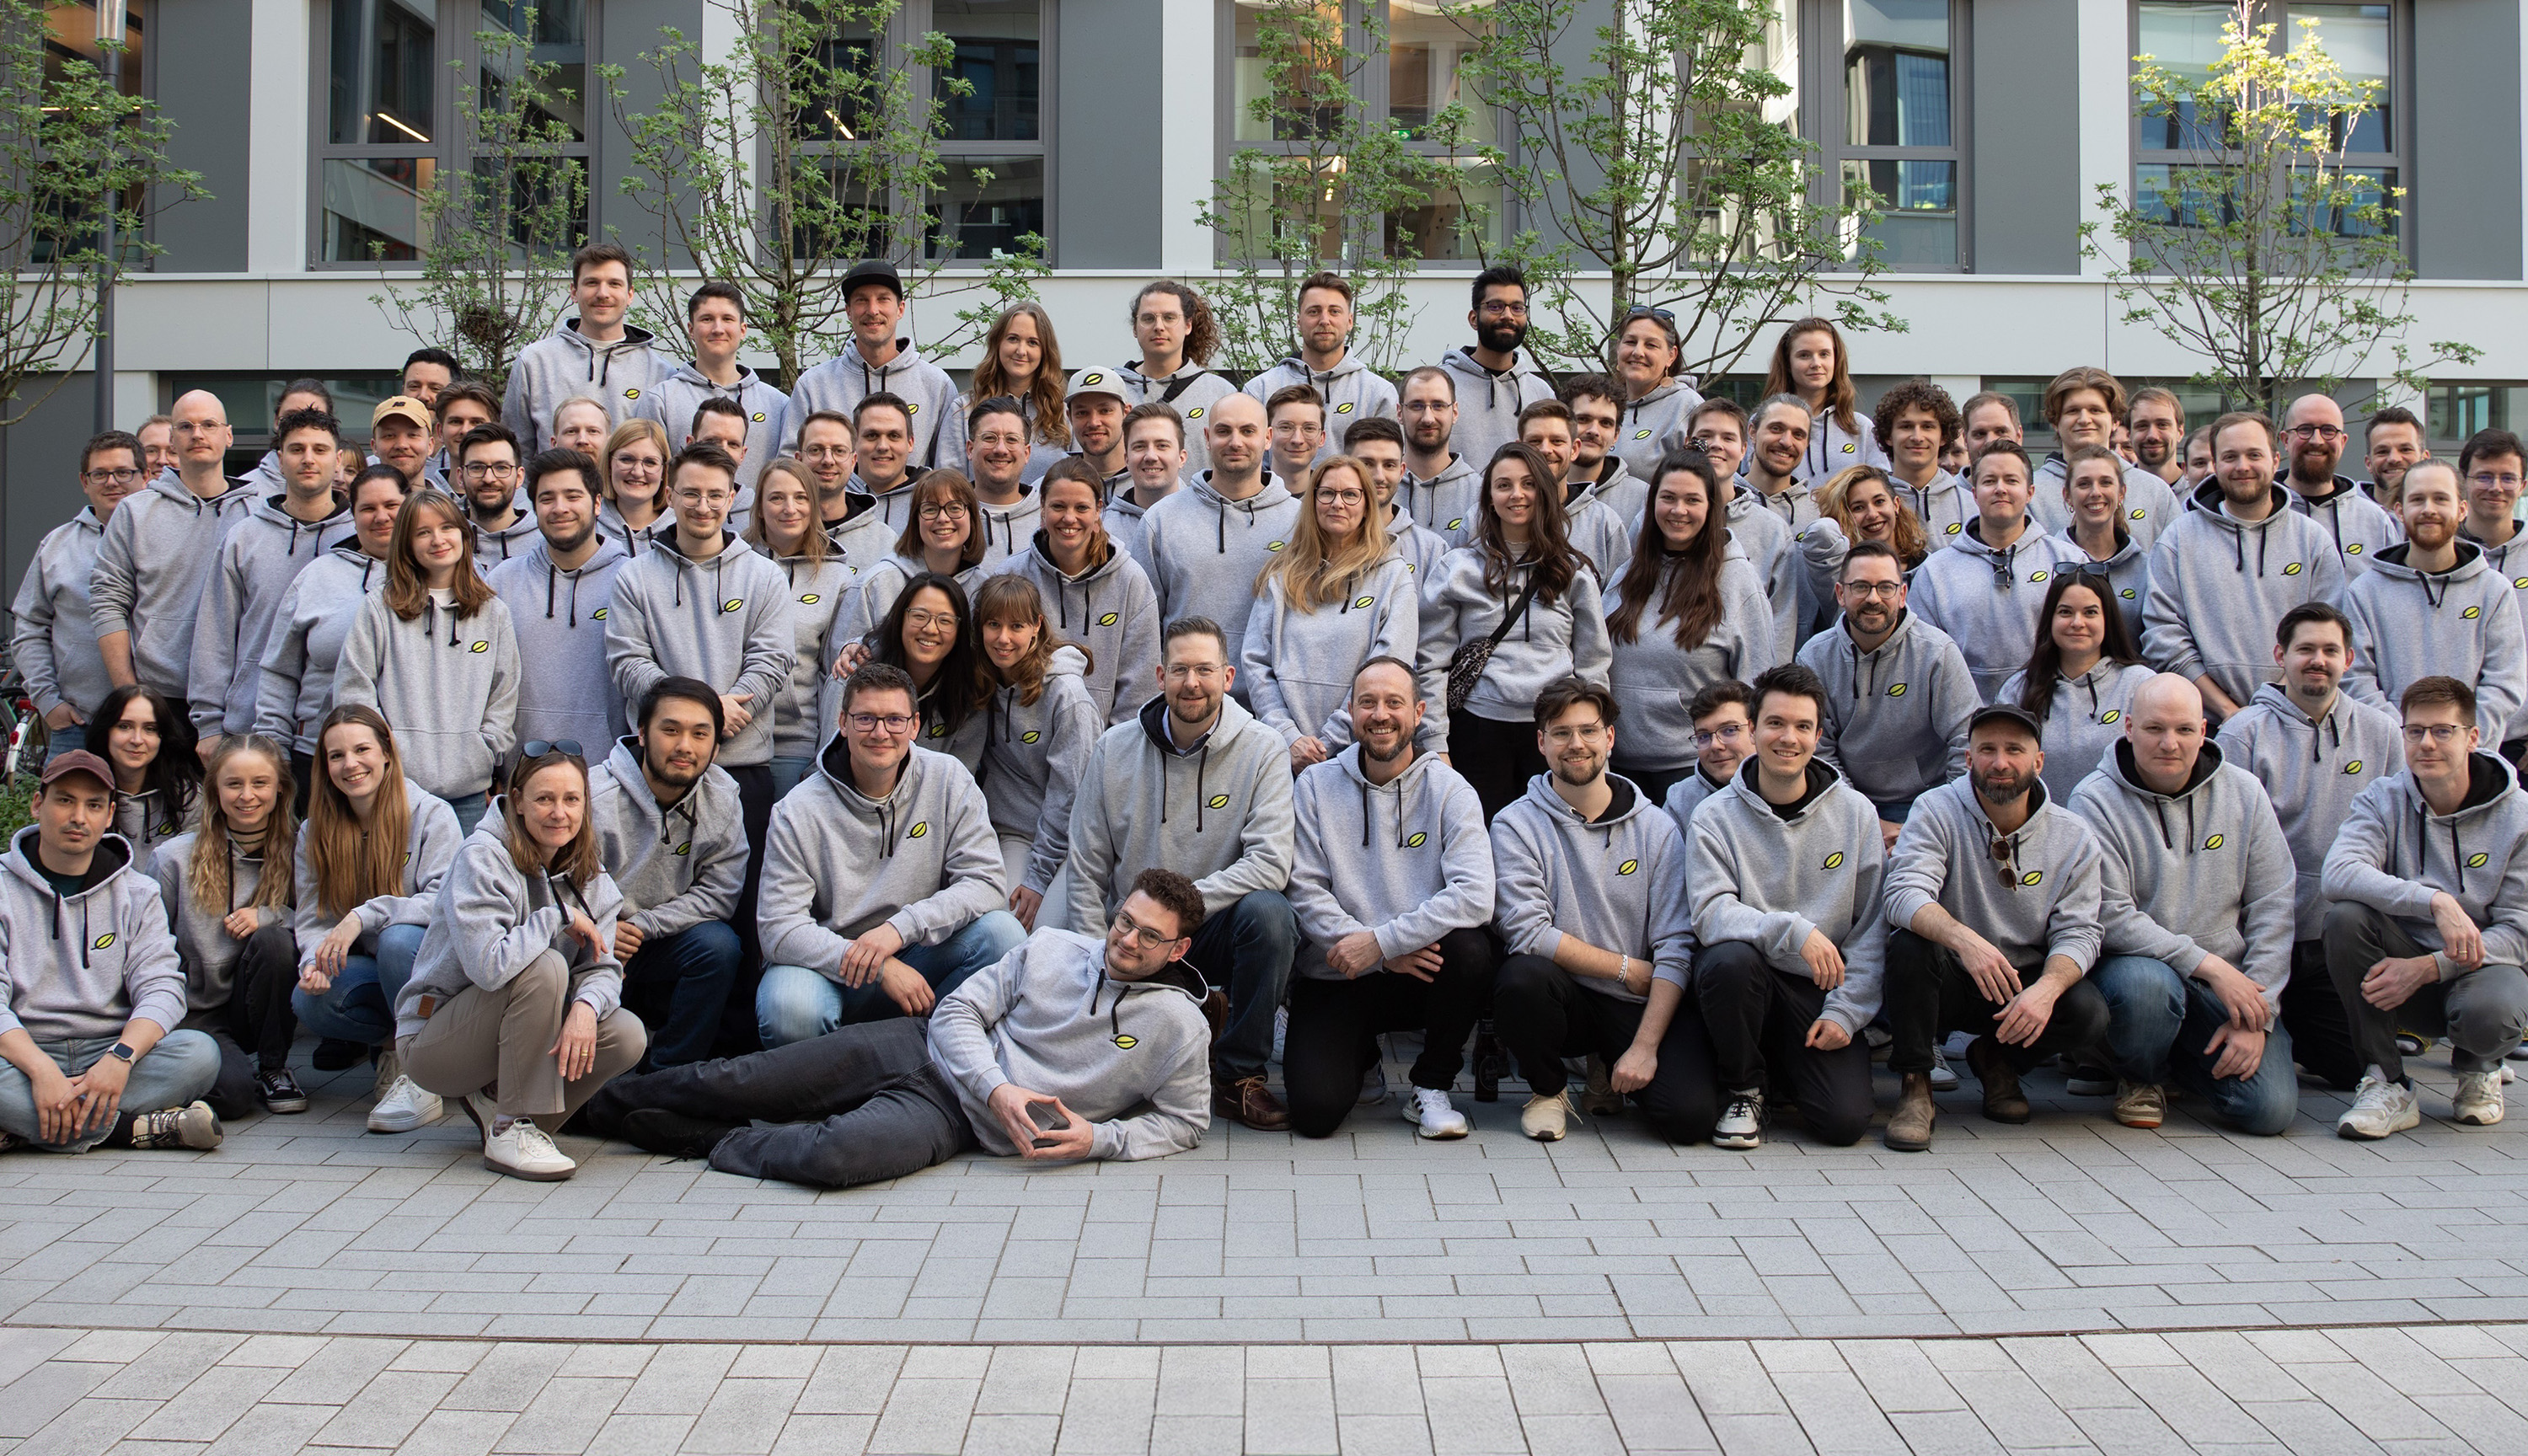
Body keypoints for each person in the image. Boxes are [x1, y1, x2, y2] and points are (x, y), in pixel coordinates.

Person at [584, 867, 1213, 1186]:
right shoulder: (1049, 948)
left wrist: (1099, 1141)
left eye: (1148, 936)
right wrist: (998, 1087)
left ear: (1179, 949)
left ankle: (705, 1142)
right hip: (921, 1049)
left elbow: (1186, 1124)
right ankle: (578, 1107)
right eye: (1124, 921)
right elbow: (958, 1011)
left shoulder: (1178, 1028)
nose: (1125, 940)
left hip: (957, 1122)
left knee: (837, 1156)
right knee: (736, 1077)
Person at [1065, 618, 1298, 1130]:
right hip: (1135, 934)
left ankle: (1238, 1077)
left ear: (1229, 676)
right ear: (1159, 675)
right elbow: (1087, 864)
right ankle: (1178, 1024)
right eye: (1180, 670)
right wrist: (1091, 958)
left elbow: (1271, 862)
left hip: (1212, 926)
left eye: (1205, 670)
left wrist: (1180, 911)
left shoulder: (1263, 749)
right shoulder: (1113, 749)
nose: (1192, 682)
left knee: (1271, 915)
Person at [396, 745, 647, 1180]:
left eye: (572, 799)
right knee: (546, 966)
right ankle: (512, 1125)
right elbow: (489, 967)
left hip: (511, 1038)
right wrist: (557, 917)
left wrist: (586, 1009)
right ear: (516, 802)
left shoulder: (591, 874)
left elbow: (603, 968)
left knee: (625, 1034)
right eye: (544, 798)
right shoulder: (482, 857)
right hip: (434, 1040)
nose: (559, 813)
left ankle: (514, 1121)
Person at [2068, 674, 2299, 1134]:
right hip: (2139, 972)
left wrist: (2260, 1015)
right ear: (2129, 727)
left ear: (2204, 731)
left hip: (2226, 984)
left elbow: (2273, 904)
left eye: (2184, 730)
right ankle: (2139, 1074)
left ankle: (2178, 1060)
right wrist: (2211, 966)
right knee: (2148, 988)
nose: (2169, 743)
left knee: (2268, 1112)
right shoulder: (2094, 799)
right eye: (2154, 729)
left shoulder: (2245, 792)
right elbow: (2111, 915)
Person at [1879, 703, 2112, 1150]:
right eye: (1987, 749)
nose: (2000, 762)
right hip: (1949, 977)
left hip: (2019, 984)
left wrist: (2044, 990)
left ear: (2038, 761)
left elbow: (2081, 931)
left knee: (2089, 1011)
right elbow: (1903, 893)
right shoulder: (1935, 809)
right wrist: (1965, 941)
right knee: (1909, 945)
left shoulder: (2074, 835)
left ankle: (1998, 1060)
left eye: (2014, 750)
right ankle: (1915, 1085)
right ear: (1968, 759)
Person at [754, 663, 1026, 1046]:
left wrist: (899, 930)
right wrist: (878, 964)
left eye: (895, 720)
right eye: (866, 719)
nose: (881, 733)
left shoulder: (948, 780)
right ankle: (823, 1091)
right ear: (842, 722)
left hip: (919, 956)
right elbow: (778, 929)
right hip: (831, 967)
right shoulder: (797, 810)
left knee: (1003, 934)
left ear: (914, 726)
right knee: (790, 1009)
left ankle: (929, 1058)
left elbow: (985, 884)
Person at [1489, 678, 1711, 1144]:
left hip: (1636, 1007)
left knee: (1689, 1119)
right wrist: (1625, 969)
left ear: (1609, 738)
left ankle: (1608, 1067)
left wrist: (1646, 1047)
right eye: (1562, 732)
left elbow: (1676, 942)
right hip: (1566, 999)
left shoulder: (1657, 828)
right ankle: (1548, 1092)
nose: (1577, 745)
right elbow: (1528, 933)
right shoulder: (1515, 824)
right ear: (1542, 742)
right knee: (1521, 978)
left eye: (1589, 731)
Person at [1284, 658, 1497, 1139]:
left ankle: (1431, 1085)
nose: (1381, 714)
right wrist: (1369, 951)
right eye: (1368, 703)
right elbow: (1303, 888)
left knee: (1471, 951)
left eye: (1394, 703)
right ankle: (1361, 1055)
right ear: (1352, 712)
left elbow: (1476, 895)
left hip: (1419, 972)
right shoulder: (1315, 787)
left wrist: (1382, 943)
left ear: (1418, 712)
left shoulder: (1450, 790)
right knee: (1315, 1115)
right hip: (1338, 969)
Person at [1686, 664, 1886, 1149]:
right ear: (1753, 730)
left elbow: (1871, 929)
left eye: (1802, 726)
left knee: (1844, 1124)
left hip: (1819, 990)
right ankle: (1744, 1087)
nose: (1788, 738)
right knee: (1728, 959)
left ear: (1819, 735)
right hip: (1746, 982)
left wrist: (1847, 1013)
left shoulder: (1856, 813)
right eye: (1775, 724)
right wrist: (1793, 930)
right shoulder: (1712, 816)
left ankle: (1786, 1072)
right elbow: (1710, 913)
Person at [2324, 676, 2528, 1137]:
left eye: (2443, 731)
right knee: (2345, 918)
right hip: (2399, 971)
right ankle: (2386, 1081)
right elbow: (2338, 873)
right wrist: (2434, 901)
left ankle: (2480, 1066)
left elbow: (2521, 932)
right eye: (2415, 731)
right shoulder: (2383, 798)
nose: (2426, 744)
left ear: (2473, 737)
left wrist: (2428, 968)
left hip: (2480, 972)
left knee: (2489, 1016)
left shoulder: (2519, 816)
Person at [0, 750, 223, 1154]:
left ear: (109, 816)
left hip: (107, 1049)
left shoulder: (138, 892)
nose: (78, 817)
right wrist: (39, 1070)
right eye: (64, 800)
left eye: (93, 805)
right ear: (38, 803)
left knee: (200, 1054)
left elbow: (162, 988)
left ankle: (20, 1125)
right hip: (20, 1051)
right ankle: (133, 1129)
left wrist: (120, 1059)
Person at [2213, 603, 2397, 1092]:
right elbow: (2225, 845)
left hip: (2332, 940)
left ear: (2349, 659)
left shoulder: (2382, 733)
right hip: (2258, 940)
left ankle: (2297, 1035)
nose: (2318, 660)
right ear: (2281, 655)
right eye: (2305, 649)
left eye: (2330, 650)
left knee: (2349, 1071)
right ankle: (2276, 1036)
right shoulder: (2243, 733)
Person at [288, 704, 463, 1130]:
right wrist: (315, 961)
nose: (350, 764)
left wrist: (363, 916)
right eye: (336, 755)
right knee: (309, 999)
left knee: (397, 939)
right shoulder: (315, 830)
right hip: (371, 966)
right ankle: (394, 1047)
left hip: (432, 965)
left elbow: (446, 904)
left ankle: (422, 1071)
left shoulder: (431, 814)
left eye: (361, 749)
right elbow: (313, 918)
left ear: (387, 751)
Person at [1424, 443, 1615, 822]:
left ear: (1544, 492)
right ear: (1489, 498)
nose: (1516, 495)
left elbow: (1594, 667)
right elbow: (1430, 662)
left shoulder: (1573, 573)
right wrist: (1435, 742)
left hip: (1555, 735)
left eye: (1528, 484)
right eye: (1504, 485)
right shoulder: (1457, 568)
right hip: (1476, 734)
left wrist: (1599, 746)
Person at [333, 487, 521, 835]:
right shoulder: (380, 608)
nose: (438, 540)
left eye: (447, 528)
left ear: (464, 535)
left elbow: (503, 694)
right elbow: (354, 693)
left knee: (464, 885)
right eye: (423, 532)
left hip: (468, 791)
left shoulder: (493, 612)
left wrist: (486, 749)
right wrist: (382, 756)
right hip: (396, 790)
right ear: (407, 543)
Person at [2144, 412, 2350, 721]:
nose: (2242, 466)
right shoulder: (2178, 539)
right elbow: (2163, 635)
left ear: (2275, 459)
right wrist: (2227, 711)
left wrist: (2274, 706)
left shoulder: (2312, 541)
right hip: (2205, 723)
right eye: (2230, 457)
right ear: (2216, 462)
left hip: (2295, 718)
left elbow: (2328, 634)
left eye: (2254, 455)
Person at [586, 679, 747, 1070]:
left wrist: (642, 926)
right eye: (670, 730)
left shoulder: (723, 798)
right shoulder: (591, 796)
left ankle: (669, 1075)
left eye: (700, 733)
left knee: (718, 947)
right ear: (642, 732)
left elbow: (719, 892)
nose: (684, 747)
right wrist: (605, 929)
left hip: (656, 937)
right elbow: (562, 884)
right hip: (588, 940)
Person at [1603, 449, 1775, 800]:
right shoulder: (1629, 574)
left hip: (1696, 771)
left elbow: (1757, 684)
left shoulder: (1737, 581)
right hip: (1618, 767)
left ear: (1711, 508)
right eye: (1668, 498)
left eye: (1692, 500)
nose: (1678, 510)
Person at [183, 406, 351, 757]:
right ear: (279, 459)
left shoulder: (359, 536)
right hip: (249, 725)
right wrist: (209, 724)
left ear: (337, 460)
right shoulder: (243, 537)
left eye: (319, 450)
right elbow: (215, 634)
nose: (308, 459)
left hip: (339, 731)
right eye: (296, 449)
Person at [151, 733, 304, 1117]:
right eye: (233, 783)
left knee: (274, 941)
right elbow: (145, 943)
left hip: (256, 1004)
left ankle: (273, 1067)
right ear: (215, 789)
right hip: (195, 1011)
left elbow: (324, 920)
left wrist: (269, 915)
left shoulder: (303, 848)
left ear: (281, 789)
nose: (246, 795)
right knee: (235, 1098)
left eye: (260, 783)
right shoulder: (173, 858)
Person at [1244, 456, 1422, 773]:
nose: (1337, 503)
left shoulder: (1393, 577)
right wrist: (1288, 736)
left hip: (1360, 752)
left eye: (1350, 494)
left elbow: (1390, 666)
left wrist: (1331, 740)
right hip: (1285, 754)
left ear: (1367, 504)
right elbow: (1257, 661)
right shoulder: (1282, 575)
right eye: (1326, 493)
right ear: (1312, 502)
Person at [1797, 542, 1978, 840]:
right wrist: (1863, 817)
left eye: (1885, 588)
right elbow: (1818, 749)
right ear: (1841, 594)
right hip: (1845, 802)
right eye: (1861, 587)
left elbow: (1965, 741)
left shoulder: (1937, 653)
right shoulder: (1814, 658)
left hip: (1930, 801)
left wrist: (1942, 817)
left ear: (1903, 595)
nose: (1873, 598)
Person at [2342, 460, 2528, 744]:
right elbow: (2357, 678)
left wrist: (2460, 742)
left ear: (2462, 509)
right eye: (2418, 499)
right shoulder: (2365, 592)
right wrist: (2408, 739)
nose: (2429, 509)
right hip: (2393, 761)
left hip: (2471, 762)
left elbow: (2505, 682)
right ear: (2400, 511)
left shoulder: (2494, 589)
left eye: (2441, 498)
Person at [253, 466, 407, 803]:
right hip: (322, 758)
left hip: (413, 764)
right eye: (367, 508)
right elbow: (279, 671)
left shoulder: (439, 576)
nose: (380, 517)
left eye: (391, 506)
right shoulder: (317, 577)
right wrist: (275, 750)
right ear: (352, 516)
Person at [92, 389, 254, 699]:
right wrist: (129, 694)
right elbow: (107, 603)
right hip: (157, 697)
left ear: (229, 436)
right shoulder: (135, 512)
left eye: (209, 425)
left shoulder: (258, 511)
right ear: (174, 439)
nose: (198, 434)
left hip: (239, 696)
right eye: (186, 427)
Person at [484, 447, 635, 763]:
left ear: (596, 504)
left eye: (572, 496)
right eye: (547, 498)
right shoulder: (503, 581)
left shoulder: (632, 579)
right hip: (521, 774)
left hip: (609, 775)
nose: (559, 508)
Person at [1141, 393, 1303, 683]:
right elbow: (1144, 629)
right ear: (1206, 437)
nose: (1235, 442)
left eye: (1247, 431)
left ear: (1267, 438)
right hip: (1187, 698)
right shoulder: (1161, 520)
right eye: (1223, 431)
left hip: (1274, 706)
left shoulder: (1300, 522)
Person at [973, 575, 1100, 933]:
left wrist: (1038, 878)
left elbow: (1070, 795)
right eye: (993, 624)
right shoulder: (982, 678)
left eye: (1017, 626)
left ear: (1037, 627)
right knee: (1004, 929)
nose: (1003, 638)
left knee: (1042, 936)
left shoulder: (1067, 695)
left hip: (1074, 841)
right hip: (1015, 830)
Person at [999, 458, 1163, 727]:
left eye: (1082, 508)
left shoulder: (1131, 580)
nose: (1069, 518)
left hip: (1107, 750)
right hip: (1023, 747)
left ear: (1099, 511)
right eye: (1058, 506)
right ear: (1042, 509)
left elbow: (1139, 690)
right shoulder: (1012, 575)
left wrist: (1111, 753)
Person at [15, 431, 142, 760]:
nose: (112, 482)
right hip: (77, 724)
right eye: (100, 474)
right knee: (71, 813)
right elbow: (29, 629)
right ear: (85, 482)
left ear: (144, 476)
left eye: (123, 472)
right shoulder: (57, 546)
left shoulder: (167, 539)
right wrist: (48, 701)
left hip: (153, 726)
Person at [731, 456, 851, 797]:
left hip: (796, 739)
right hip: (736, 733)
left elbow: (835, 672)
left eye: (800, 498)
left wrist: (826, 745)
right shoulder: (734, 567)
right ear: (759, 507)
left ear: (814, 507)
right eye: (776, 497)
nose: (789, 508)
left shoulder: (837, 577)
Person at [1909, 441, 2055, 699]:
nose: (2000, 489)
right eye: (1990, 481)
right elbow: (1922, 658)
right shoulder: (1935, 571)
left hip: (2049, 709)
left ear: (2030, 492)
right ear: (1974, 494)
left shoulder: (2067, 561)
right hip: (1964, 719)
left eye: (2011, 480)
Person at [779, 260, 958, 467]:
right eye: (862, 300)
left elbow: (949, 470)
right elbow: (791, 466)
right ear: (848, 311)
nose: (873, 310)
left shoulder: (937, 385)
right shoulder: (813, 385)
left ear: (900, 309)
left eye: (883, 299)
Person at [1999, 570, 2156, 801]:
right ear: (2049, 619)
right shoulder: (2017, 689)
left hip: (2118, 831)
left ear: (2107, 619)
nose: (2077, 622)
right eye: (2065, 612)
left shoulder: (2141, 684)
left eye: (2090, 612)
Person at [505, 243, 667, 454]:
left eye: (614, 284)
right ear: (574, 291)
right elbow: (517, 453)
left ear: (630, 295)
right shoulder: (534, 362)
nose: (602, 293)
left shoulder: (659, 373)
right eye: (592, 283)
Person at [642, 281, 789, 492]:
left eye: (727, 319)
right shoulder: (661, 400)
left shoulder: (778, 404)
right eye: (707, 319)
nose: (718, 329)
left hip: (756, 524)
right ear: (691, 329)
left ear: (743, 330)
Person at [1691, 397, 1802, 661]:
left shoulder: (1772, 530)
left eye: (1728, 438)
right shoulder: (1660, 516)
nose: (1716, 444)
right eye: (1705, 435)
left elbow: (1782, 623)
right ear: (1688, 443)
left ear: (1743, 449)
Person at [1241, 272, 1399, 456]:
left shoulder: (1378, 394)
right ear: (1299, 321)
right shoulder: (1260, 390)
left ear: (1349, 321)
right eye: (1314, 311)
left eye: (1334, 311)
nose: (1324, 320)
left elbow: (1386, 465)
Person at [838, 468, 994, 651]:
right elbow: (839, 666)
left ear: (972, 517)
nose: (943, 518)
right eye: (930, 509)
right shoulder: (877, 584)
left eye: (955, 508)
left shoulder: (982, 591)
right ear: (915, 520)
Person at [2028, 368, 2180, 549]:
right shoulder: (2030, 494)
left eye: (2095, 410)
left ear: (2115, 420)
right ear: (2055, 422)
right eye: (2072, 411)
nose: (2084, 419)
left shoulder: (2154, 491)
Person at [863, 573, 994, 772]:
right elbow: (831, 763)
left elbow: (958, 784)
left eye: (945, 621)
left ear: (960, 632)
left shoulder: (969, 697)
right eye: (919, 616)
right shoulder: (856, 675)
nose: (931, 629)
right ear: (900, 619)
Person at [1436, 266, 1557, 473]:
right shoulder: (1440, 386)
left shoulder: (1541, 393)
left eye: (1517, 308)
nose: (1507, 315)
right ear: (1474, 319)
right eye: (1495, 306)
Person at [1118, 281, 1238, 478]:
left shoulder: (1221, 394)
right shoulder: (1113, 391)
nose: (1159, 327)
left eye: (1169, 318)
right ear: (1135, 328)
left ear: (1188, 325)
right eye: (1148, 319)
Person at [2457, 429, 2528, 762]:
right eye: (2484, 477)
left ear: (2523, 486)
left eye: (2507, 478)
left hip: (2522, 747)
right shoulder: (2438, 556)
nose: (2496, 487)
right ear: (2464, 483)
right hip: (2447, 745)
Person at [940, 302, 1069, 483]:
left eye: (1032, 342)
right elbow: (948, 484)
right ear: (998, 343)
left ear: (1045, 351)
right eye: (1013, 339)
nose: (1021, 351)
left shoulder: (1063, 412)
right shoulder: (963, 411)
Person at [2280, 392, 2399, 575]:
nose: (2316, 440)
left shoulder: (2375, 521)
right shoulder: (2264, 515)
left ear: (2343, 442)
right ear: (2285, 440)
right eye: (2304, 429)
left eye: (2328, 430)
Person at [2047, 444, 2151, 640]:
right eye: (2084, 484)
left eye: (2105, 483)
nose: (2095, 492)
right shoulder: (2049, 561)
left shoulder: (2145, 568)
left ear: (2121, 493)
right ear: (2067, 495)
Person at [1519, 399, 1627, 580]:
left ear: (1574, 449)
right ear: (1519, 447)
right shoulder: (1486, 516)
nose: (1545, 449)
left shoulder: (1604, 524)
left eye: (1557, 441)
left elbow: (1619, 598)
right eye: (1535, 441)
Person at [1763, 318, 1886, 474]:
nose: (1816, 363)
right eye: (1804, 355)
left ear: (1836, 360)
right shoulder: (1762, 426)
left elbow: (1880, 491)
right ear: (1788, 364)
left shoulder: (1862, 428)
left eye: (1824, 354)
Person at [86, 684, 201, 851]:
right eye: (125, 726)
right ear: (106, 731)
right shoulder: (82, 790)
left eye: (150, 729)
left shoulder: (187, 796)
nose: (137, 740)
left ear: (163, 737)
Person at [1557, 375, 1646, 581]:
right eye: (1583, 419)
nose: (1594, 431)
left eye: (1605, 423)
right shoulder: (1530, 492)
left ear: (1616, 435)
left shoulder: (1644, 499)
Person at [1344, 415, 1449, 585]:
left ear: (1401, 471)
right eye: (1367, 464)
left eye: (1389, 465)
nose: (1379, 476)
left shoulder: (1431, 550)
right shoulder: (1323, 540)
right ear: (1345, 467)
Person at [1608, 307, 1703, 480]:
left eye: (1651, 345)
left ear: (1671, 356)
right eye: (1630, 342)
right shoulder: (1605, 404)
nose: (1638, 352)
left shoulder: (1687, 407)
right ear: (1618, 348)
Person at [1872, 380, 1971, 544]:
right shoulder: (1871, 506)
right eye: (1906, 426)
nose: (1917, 437)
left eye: (1927, 427)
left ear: (1944, 436)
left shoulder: (1970, 505)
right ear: (1888, 436)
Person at [1399, 365, 1481, 551]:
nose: (1428, 418)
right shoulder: (1379, 487)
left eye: (1438, 405)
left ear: (1455, 412)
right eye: (1416, 406)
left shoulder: (1480, 493)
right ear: (1399, 412)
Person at [1106, 402, 1187, 576]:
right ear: (1127, 459)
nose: (1151, 456)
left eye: (1162, 446)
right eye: (1140, 446)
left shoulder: (1207, 520)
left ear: (1182, 458)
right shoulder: (1103, 530)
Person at [961, 395, 1044, 565]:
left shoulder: (1048, 518)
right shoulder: (949, 517)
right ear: (970, 449)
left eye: (1012, 439)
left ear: (1026, 453)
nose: (1000, 449)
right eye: (989, 438)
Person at [1811, 465, 1928, 576]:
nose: (1872, 515)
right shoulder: (1843, 577)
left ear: (1896, 505)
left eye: (1879, 502)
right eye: (1858, 508)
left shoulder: (1928, 567)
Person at [844, 392, 928, 538]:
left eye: (894, 436)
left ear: (910, 443)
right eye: (872, 435)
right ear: (854, 442)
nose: (883, 446)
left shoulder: (932, 498)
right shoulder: (833, 497)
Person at [453, 422, 539, 563]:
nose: (489, 479)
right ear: (461, 477)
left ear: (519, 477)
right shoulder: (444, 541)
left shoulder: (544, 543)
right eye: (477, 468)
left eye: (501, 468)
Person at [595, 416, 673, 556]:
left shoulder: (681, 529)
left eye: (650, 462)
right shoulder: (587, 526)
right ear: (609, 465)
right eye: (626, 459)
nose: (637, 472)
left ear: (664, 471)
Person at [795, 409, 866, 544]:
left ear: (853, 461)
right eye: (816, 450)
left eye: (839, 451)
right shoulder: (773, 537)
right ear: (799, 460)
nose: (828, 460)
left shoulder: (883, 540)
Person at [1063, 366, 1130, 490]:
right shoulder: (1054, 484)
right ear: (1070, 417)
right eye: (1082, 413)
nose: (1094, 423)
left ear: (1126, 413)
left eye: (1105, 411)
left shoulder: (1151, 481)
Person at [424, 383, 499, 490]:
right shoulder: (421, 499)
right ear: (440, 431)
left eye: (476, 422)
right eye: (456, 422)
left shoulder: (519, 502)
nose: (465, 430)